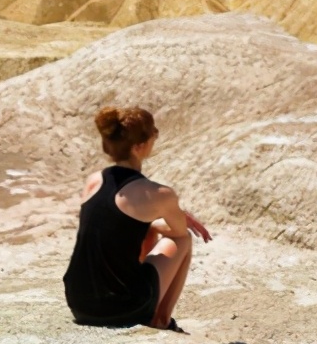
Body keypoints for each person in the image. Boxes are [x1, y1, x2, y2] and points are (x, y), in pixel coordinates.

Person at [63, 106, 212, 332]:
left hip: (79, 303)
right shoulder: (159, 194)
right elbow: (179, 233)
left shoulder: (93, 181)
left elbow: (115, 224)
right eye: (154, 133)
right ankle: (160, 320)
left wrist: (152, 225)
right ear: (139, 146)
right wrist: (176, 218)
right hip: (121, 308)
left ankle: (148, 307)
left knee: (145, 228)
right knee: (184, 241)